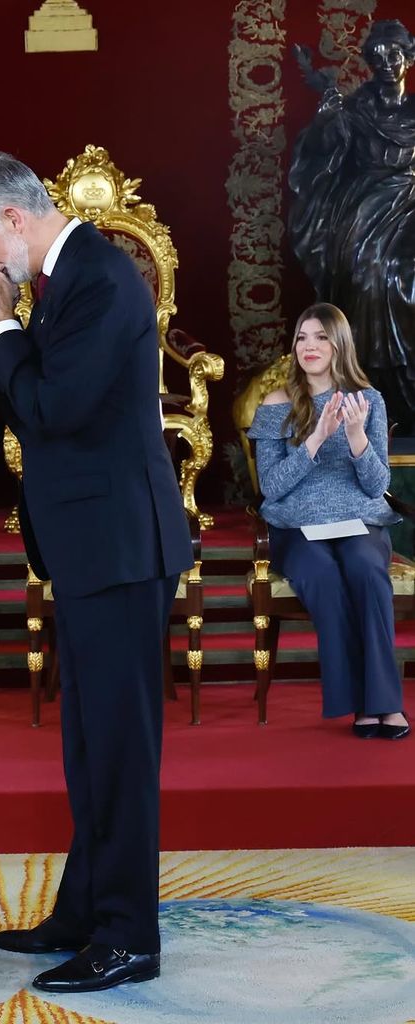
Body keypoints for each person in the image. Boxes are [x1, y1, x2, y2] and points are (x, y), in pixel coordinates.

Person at [0, 153, 193, 994]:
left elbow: (52, 408)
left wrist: (1, 329)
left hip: (122, 548)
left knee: (120, 753)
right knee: (89, 748)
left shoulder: (97, 276)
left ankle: (129, 935)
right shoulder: (65, 277)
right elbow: (41, 407)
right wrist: (9, 329)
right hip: (94, 548)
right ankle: (83, 910)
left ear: (14, 220)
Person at [247, 302, 410, 740]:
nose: (309, 346)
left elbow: (377, 486)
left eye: (320, 337)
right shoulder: (276, 403)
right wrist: (316, 438)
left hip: (359, 521)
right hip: (296, 528)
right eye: (302, 337)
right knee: (322, 574)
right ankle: (360, 703)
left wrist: (356, 437)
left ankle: (385, 704)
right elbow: (272, 485)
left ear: (339, 343)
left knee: (365, 570)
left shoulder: (368, 399)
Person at [288, 19, 415, 434]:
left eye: (394, 52)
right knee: (370, 274)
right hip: (364, 207)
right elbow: (323, 158)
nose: (387, 61)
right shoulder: (356, 109)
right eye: (377, 53)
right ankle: (378, 394)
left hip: (411, 205)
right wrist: (327, 123)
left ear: (408, 56)